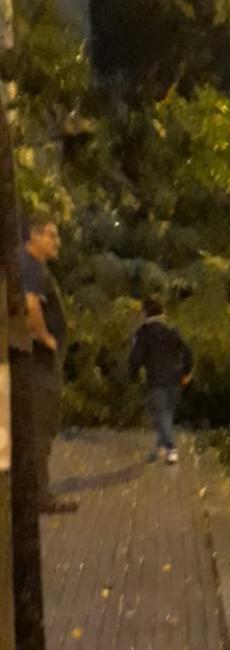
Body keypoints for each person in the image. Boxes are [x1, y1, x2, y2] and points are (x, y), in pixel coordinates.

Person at [19, 214, 76, 513]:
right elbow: (30, 305)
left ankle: (32, 495)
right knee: (40, 430)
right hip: (39, 368)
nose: (57, 242)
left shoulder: (29, 266)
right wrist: (45, 337)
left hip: (37, 366)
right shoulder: (29, 266)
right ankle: (39, 497)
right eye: (52, 235)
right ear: (34, 235)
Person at [129, 296, 194, 464]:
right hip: (176, 379)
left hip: (156, 380)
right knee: (166, 414)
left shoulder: (143, 333)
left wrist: (133, 374)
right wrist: (186, 372)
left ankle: (171, 448)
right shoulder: (172, 331)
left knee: (161, 415)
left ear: (145, 313)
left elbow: (136, 358)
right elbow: (188, 352)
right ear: (162, 313)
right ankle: (159, 447)